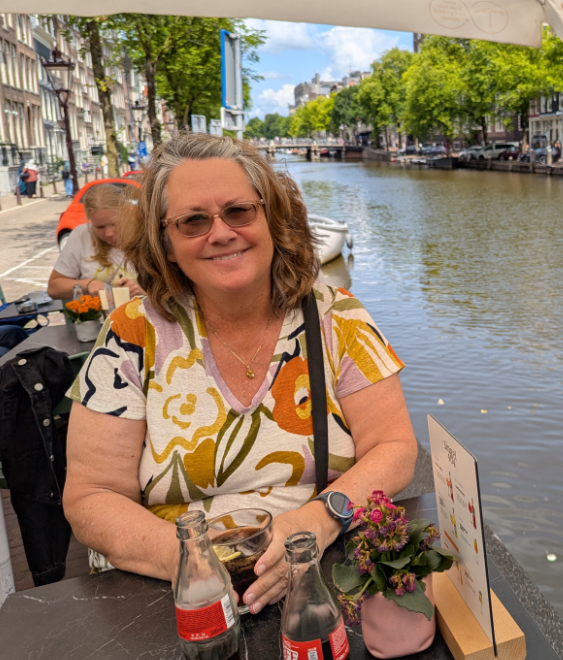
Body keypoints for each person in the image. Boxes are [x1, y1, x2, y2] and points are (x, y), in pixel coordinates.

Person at [62, 133, 418, 616]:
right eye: (193, 221)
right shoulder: (131, 334)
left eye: (239, 212)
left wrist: (321, 518)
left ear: (271, 219)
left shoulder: (340, 319)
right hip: (174, 595)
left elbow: (394, 448)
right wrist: (185, 559)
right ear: (165, 243)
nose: (221, 233)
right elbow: (91, 495)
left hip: (320, 580)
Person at [47, 183, 144, 300]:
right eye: (99, 227)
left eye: (114, 224)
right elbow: (53, 288)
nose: (109, 233)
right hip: (101, 317)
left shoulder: (146, 234)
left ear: (127, 213)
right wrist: (88, 284)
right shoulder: (81, 235)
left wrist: (140, 290)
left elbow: (170, 286)